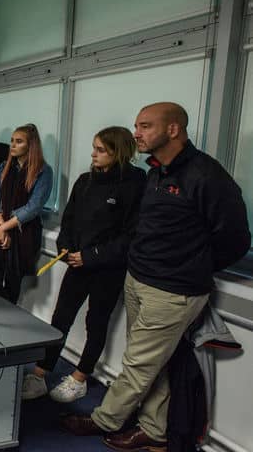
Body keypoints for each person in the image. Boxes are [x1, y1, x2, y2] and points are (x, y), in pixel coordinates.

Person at [61, 103, 250, 452]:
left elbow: (236, 239)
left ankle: (105, 419)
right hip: (139, 280)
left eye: (146, 126)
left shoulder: (206, 176)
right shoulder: (156, 172)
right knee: (152, 363)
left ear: (174, 129)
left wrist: (191, 266)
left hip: (173, 291)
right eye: (136, 125)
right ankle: (153, 428)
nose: (137, 133)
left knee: (138, 364)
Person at [22, 127, 146, 403]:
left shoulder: (136, 184)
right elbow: (69, 220)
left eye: (101, 150)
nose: (94, 154)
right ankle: (41, 374)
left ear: (119, 152)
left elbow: (130, 235)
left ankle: (80, 378)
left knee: (97, 322)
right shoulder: (85, 181)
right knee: (60, 319)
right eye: (94, 148)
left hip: (108, 268)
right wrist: (65, 248)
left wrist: (91, 256)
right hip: (76, 264)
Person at [0, 123, 53, 304]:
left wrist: (6, 227)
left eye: (19, 141)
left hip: (24, 233)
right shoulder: (3, 168)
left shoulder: (43, 172)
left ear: (30, 145)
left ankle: (8, 321)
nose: (13, 145)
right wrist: (2, 227)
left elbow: (34, 206)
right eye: (12, 141)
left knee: (13, 282)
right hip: (1, 227)